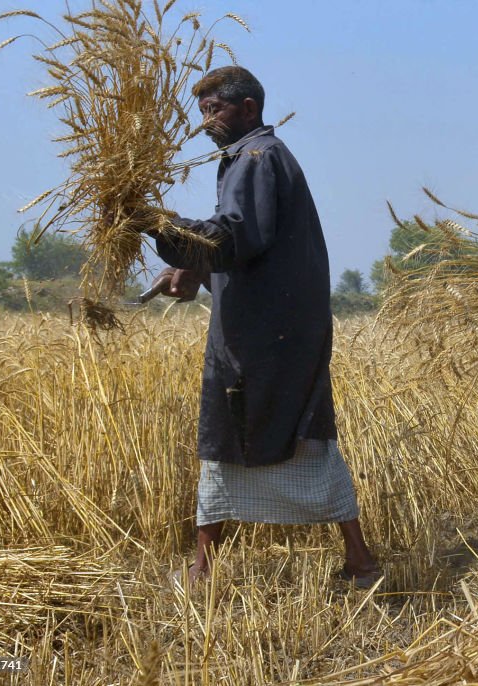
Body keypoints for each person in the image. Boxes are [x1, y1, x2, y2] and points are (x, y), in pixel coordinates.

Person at [145, 66, 379, 587]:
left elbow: (234, 237)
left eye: (216, 109)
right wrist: (192, 265)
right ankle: (357, 560)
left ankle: (205, 570)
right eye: (202, 111)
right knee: (296, 437)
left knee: (243, 434)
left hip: (264, 336)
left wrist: (160, 225)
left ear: (248, 108)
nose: (206, 122)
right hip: (272, 329)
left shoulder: (256, 158)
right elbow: (245, 245)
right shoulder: (250, 158)